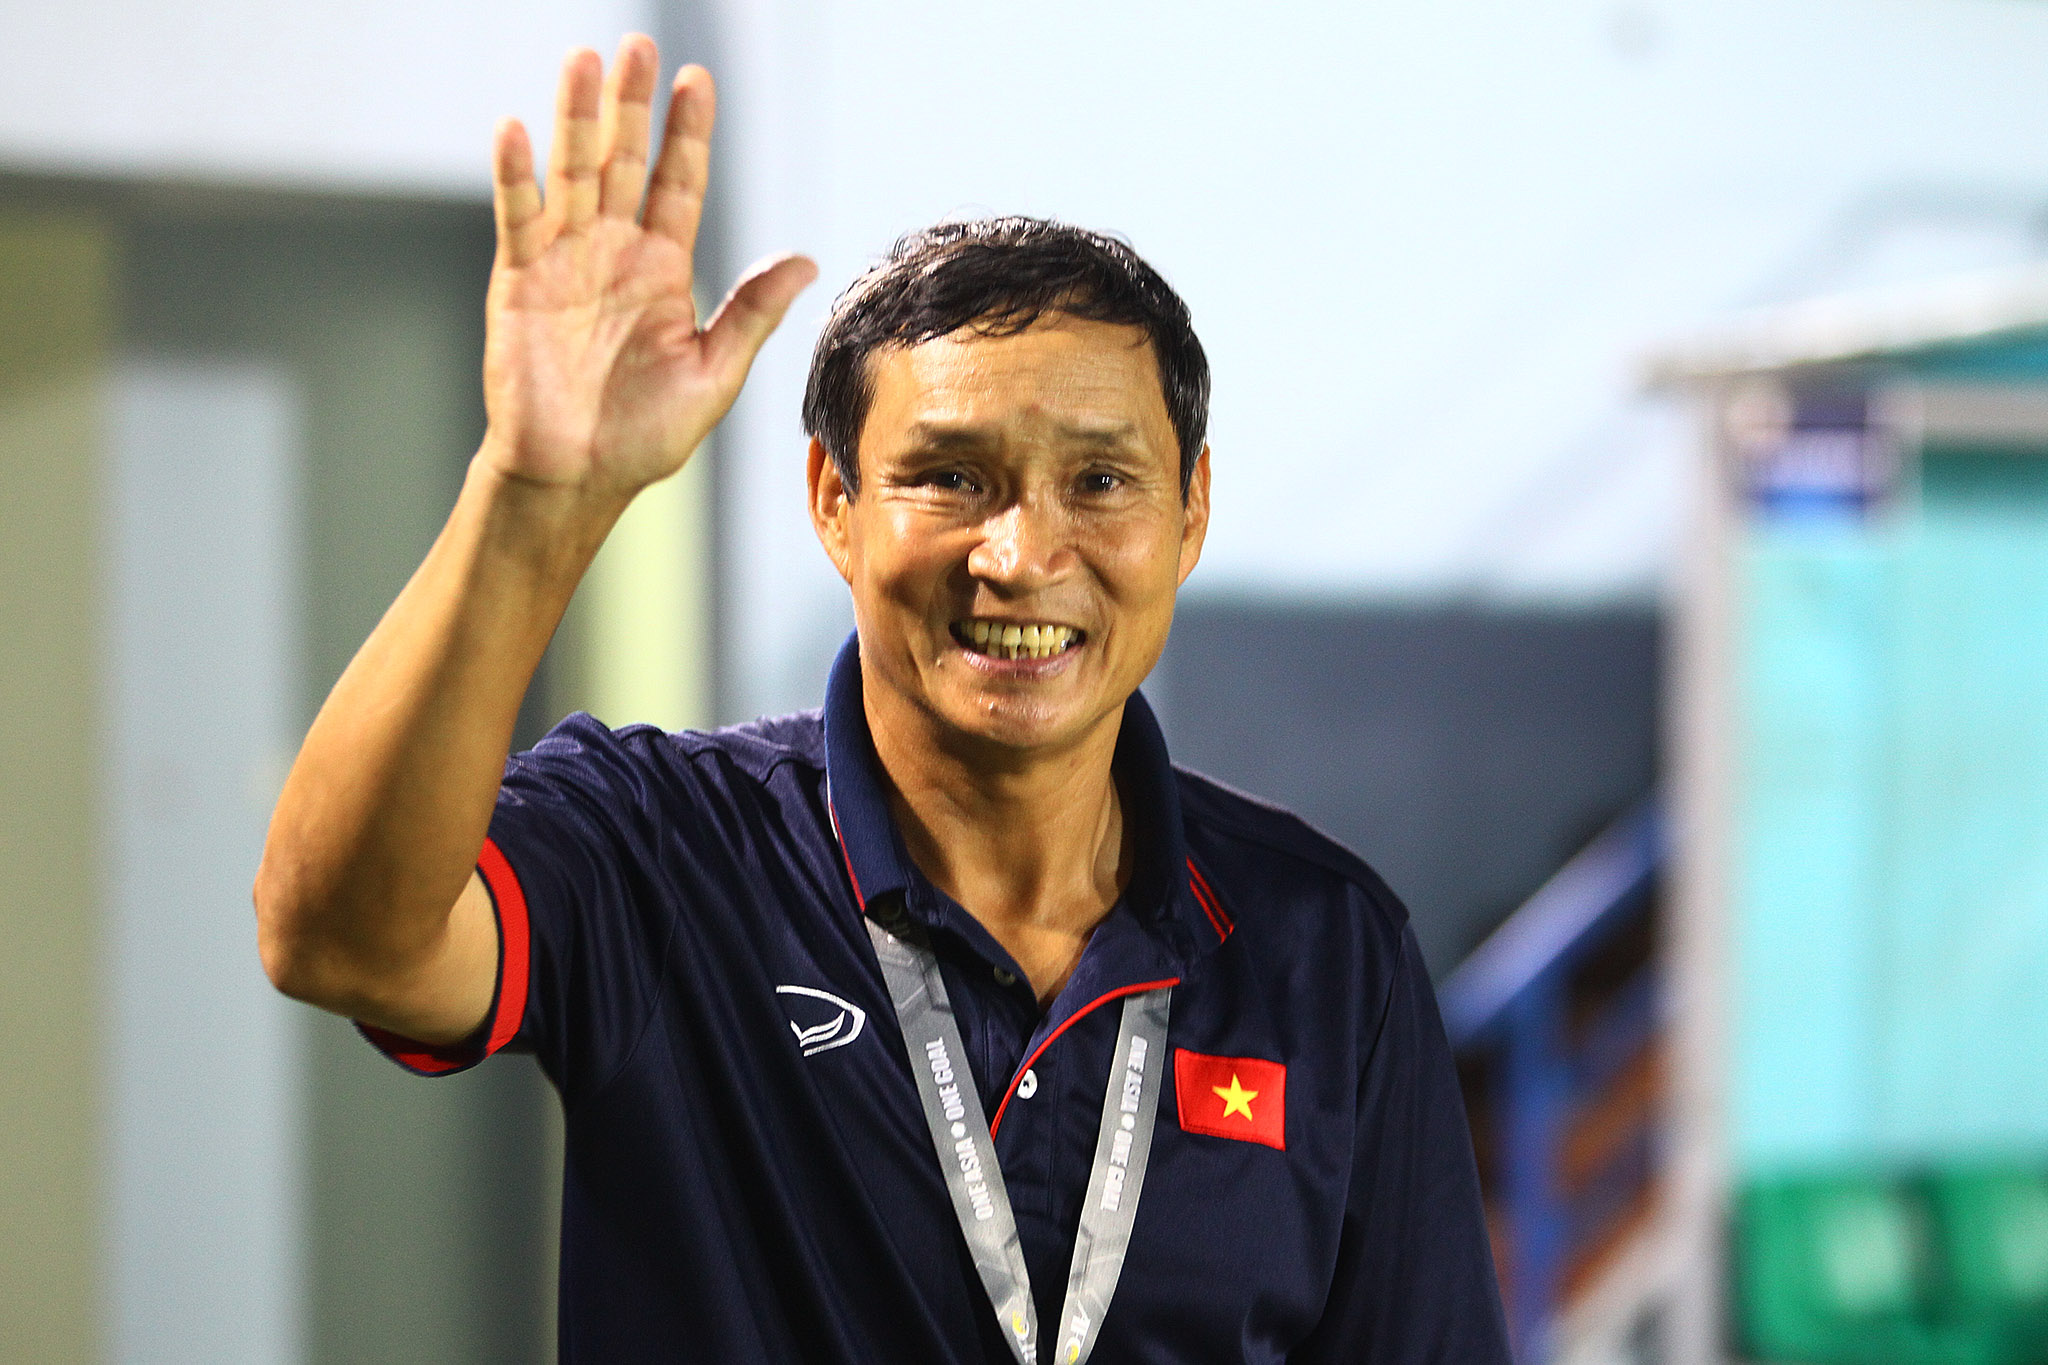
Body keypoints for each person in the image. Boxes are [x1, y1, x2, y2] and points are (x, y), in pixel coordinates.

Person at [254, 33, 1511, 1365]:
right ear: (834, 502)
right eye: (951, 477)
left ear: (1191, 512)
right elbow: (341, 937)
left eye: (1099, 482)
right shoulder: (665, 851)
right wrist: (532, 496)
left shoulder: (1329, 950)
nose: (1021, 555)